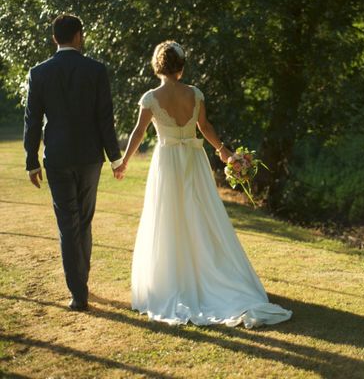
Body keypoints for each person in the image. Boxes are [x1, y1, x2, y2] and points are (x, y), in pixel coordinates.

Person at [118, 40, 292, 328]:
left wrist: (124, 161)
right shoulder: (195, 94)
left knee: (168, 217)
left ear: (158, 67)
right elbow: (205, 127)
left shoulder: (150, 98)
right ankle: (209, 276)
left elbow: (138, 132)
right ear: (181, 68)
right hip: (194, 160)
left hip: (168, 162)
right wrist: (224, 152)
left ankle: (174, 280)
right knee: (200, 213)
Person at [23, 13, 125, 311]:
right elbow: (105, 118)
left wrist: (31, 161)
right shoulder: (95, 70)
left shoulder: (39, 72)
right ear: (78, 35)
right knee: (84, 219)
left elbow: (32, 121)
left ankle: (78, 292)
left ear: (55, 38)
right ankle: (81, 281)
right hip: (90, 157)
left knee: (68, 223)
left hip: (56, 156)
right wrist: (115, 157)